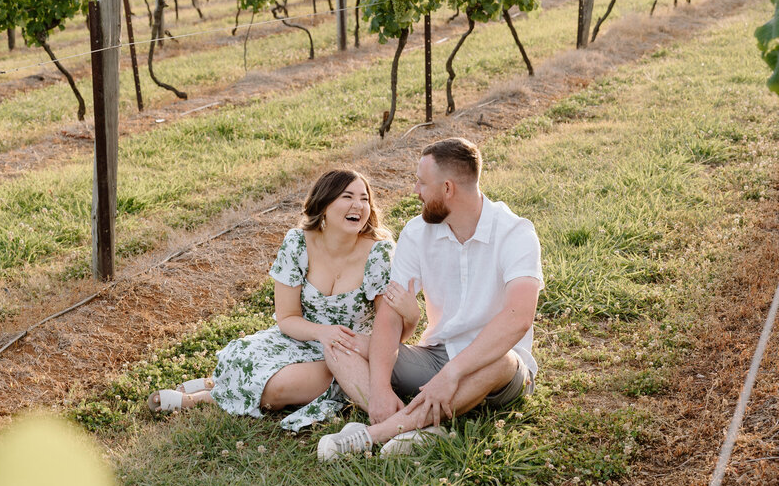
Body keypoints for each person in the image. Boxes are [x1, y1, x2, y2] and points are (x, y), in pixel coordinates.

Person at [316, 138, 543, 460]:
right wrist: (379, 387)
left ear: (447, 188)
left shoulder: (515, 232)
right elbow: (391, 313)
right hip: (436, 356)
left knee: (503, 359)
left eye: (422, 183)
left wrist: (452, 375)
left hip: (496, 369)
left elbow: (518, 318)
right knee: (339, 344)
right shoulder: (417, 232)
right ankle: (420, 428)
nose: (415, 191)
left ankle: (373, 435)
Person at [147, 170, 419, 431]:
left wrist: (411, 317)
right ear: (324, 204)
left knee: (277, 389)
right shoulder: (298, 243)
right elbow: (288, 318)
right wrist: (322, 332)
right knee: (239, 355)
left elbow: (390, 332)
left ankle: (204, 397)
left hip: (346, 352)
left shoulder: (379, 252)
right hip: (302, 336)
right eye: (347, 197)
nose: (358, 206)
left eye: (364, 199)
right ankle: (217, 382)